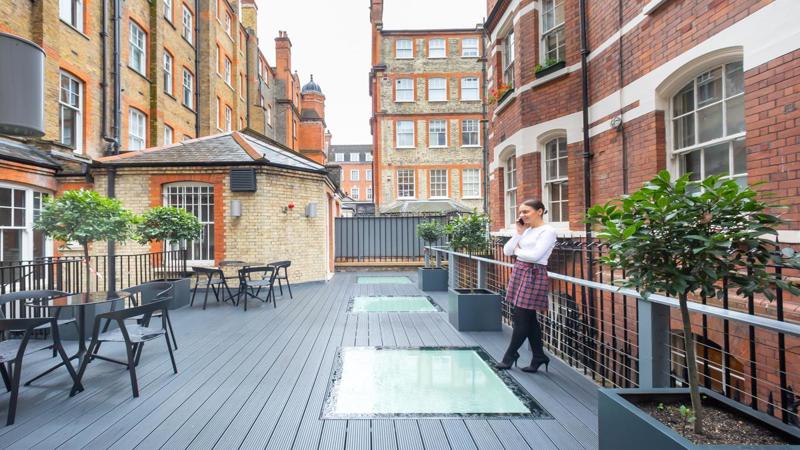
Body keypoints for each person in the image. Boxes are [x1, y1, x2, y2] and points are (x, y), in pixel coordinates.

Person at [495, 199, 558, 373]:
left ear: (539, 211)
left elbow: (536, 256)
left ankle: (510, 355)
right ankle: (539, 356)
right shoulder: (527, 230)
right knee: (529, 319)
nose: (522, 215)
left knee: (521, 318)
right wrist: (518, 233)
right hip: (520, 271)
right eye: (520, 212)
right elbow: (507, 251)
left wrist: (518, 251)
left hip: (533, 274)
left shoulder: (548, 231)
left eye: (526, 212)